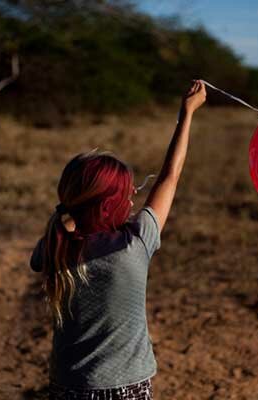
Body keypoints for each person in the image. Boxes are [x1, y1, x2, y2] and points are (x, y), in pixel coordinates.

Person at [29, 80, 206, 399]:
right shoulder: (134, 245)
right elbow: (171, 175)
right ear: (110, 205)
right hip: (126, 388)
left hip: (67, 386)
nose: (133, 198)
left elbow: (60, 232)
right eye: (130, 193)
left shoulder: (53, 246)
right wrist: (187, 113)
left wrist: (73, 211)